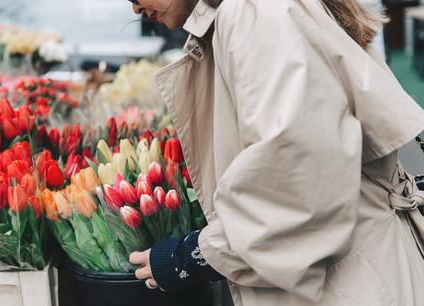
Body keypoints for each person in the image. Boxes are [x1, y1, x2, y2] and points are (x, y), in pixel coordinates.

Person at [128, 1, 424, 305]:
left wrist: (193, 255)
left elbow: (296, 180)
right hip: (353, 265)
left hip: (349, 280)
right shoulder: (251, 14)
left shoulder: (256, 14)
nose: (135, 8)